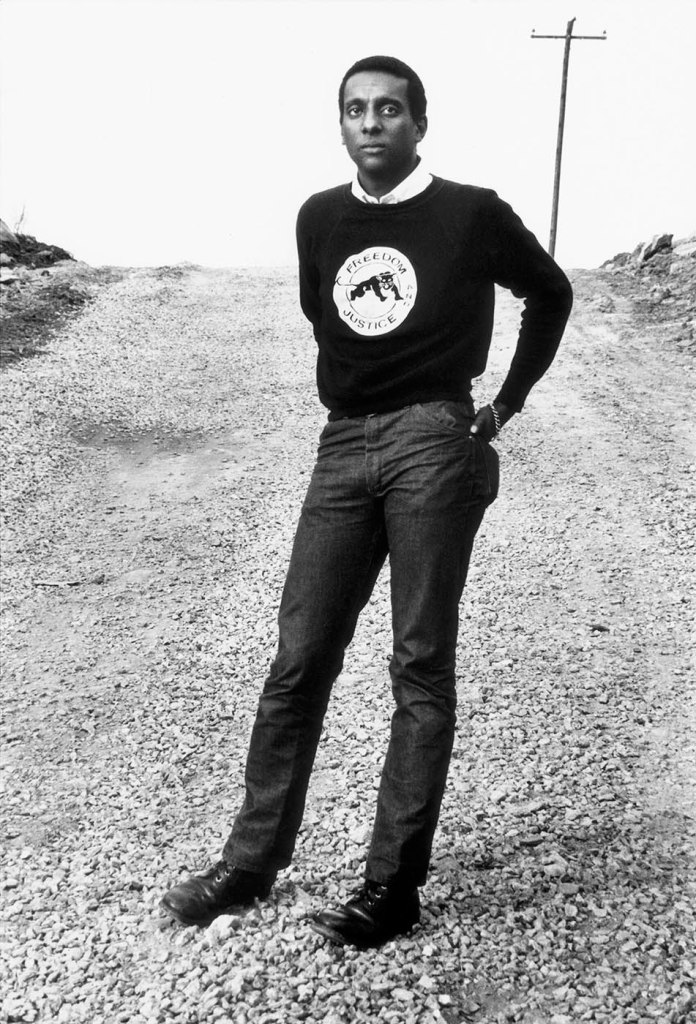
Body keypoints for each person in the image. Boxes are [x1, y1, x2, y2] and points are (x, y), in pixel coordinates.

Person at [160, 55, 573, 948]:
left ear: (420, 123)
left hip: (436, 438)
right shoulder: (321, 217)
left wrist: (504, 405)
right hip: (343, 442)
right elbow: (329, 316)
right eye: (356, 109)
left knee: (419, 663)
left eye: (391, 108)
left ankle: (391, 885)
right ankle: (250, 863)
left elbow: (551, 292)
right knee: (297, 658)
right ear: (341, 124)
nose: (373, 122)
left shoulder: (471, 212)